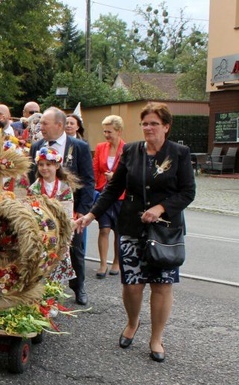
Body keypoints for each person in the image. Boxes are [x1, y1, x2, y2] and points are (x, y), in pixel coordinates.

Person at [76, 102, 195, 363]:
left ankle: (156, 337)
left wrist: (161, 207)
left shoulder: (180, 153)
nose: (149, 128)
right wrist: (91, 214)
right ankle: (132, 323)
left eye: (154, 123)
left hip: (165, 231)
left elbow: (188, 192)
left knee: (162, 285)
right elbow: (112, 188)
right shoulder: (130, 151)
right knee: (132, 285)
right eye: (145, 123)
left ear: (166, 126)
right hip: (131, 227)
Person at [30, 107, 95, 305]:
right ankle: (45, 292)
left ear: (59, 125)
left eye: (44, 124)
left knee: (75, 250)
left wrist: (83, 212)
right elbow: (31, 177)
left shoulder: (79, 147)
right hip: (43, 214)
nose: (41, 127)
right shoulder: (37, 146)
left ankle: (78, 287)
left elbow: (88, 180)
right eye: (40, 124)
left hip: (71, 211)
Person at [27, 147, 79, 283]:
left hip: (60, 234)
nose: (44, 168)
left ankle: (55, 297)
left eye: (48, 164)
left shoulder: (64, 188)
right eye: (41, 165)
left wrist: (66, 236)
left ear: (56, 166)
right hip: (41, 235)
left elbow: (68, 216)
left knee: (56, 268)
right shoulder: (34, 188)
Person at [92, 115, 125, 278]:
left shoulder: (127, 149)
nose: (106, 135)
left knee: (118, 231)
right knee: (103, 229)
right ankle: (103, 263)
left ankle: (116, 262)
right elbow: (95, 168)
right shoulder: (100, 147)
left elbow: (129, 172)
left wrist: (116, 177)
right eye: (104, 131)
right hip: (104, 194)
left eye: (109, 131)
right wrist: (99, 184)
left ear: (118, 131)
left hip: (121, 196)